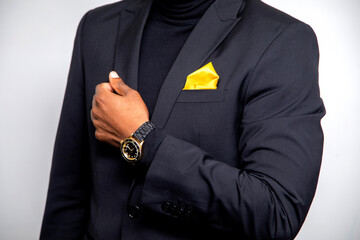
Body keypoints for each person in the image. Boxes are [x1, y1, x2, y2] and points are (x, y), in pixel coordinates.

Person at [40, 0, 326, 239]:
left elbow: (276, 214)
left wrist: (144, 140)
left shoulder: (282, 40)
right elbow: (69, 193)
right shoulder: (97, 26)